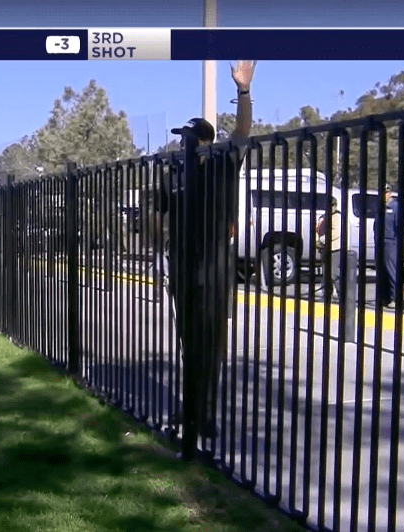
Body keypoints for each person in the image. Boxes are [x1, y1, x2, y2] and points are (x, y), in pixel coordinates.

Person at [155, 60, 254, 439]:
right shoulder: (174, 175)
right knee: (188, 341)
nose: (181, 142)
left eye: (186, 137)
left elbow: (244, 131)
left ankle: (206, 415)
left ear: (204, 140)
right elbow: (157, 216)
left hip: (214, 264)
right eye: (180, 137)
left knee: (210, 342)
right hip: (181, 261)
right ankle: (191, 407)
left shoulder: (222, 161)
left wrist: (243, 91)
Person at [377, 184, 404, 308]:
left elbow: (402, 226)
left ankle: (395, 297)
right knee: (382, 271)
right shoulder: (381, 208)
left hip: (392, 242)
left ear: (390, 193)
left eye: (385, 193)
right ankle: (385, 298)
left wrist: (397, 241)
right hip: (381, 242)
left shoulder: (396, 207)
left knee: (391, 270)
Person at [316, 196, 343, 302]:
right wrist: (317, 241)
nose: (330, 207)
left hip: (334, 249)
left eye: (332, 205)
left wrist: (322, 240)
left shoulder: (337, 217)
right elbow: (317, 230)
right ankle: (327, 294)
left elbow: (336, 233)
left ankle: (341, 294)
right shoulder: (322, 217)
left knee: (334, 273)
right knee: (325, 274)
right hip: (324, 249)